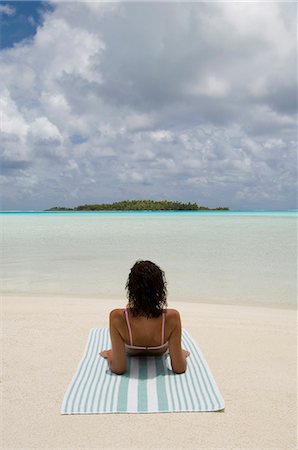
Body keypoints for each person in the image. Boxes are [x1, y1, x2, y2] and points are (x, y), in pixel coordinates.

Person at [100, 260, 190, 375]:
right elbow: (179, 368)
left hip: (132, 351)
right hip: (159, 351)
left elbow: (118, 369)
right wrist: (180, 355)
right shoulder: (172, 317)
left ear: (131, 288)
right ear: (160, 289)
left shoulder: (117, 317)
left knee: (130, 310)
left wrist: (110, 354)